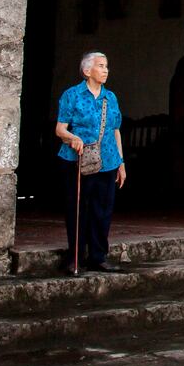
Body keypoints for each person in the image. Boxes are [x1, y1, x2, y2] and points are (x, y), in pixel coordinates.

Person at [55, 50, 126, 274]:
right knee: (77, 209)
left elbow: (116, 131)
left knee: (102, 210)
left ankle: (98, 256)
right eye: (101, 66)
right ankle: (75, 256)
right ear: (87, 71)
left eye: (106, 66)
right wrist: (72, 138)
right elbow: (60, 129)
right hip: (77, 161)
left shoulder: (110, 97)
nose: (106, 70)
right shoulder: (72, 95)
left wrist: (121, 163)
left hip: (107, 161)